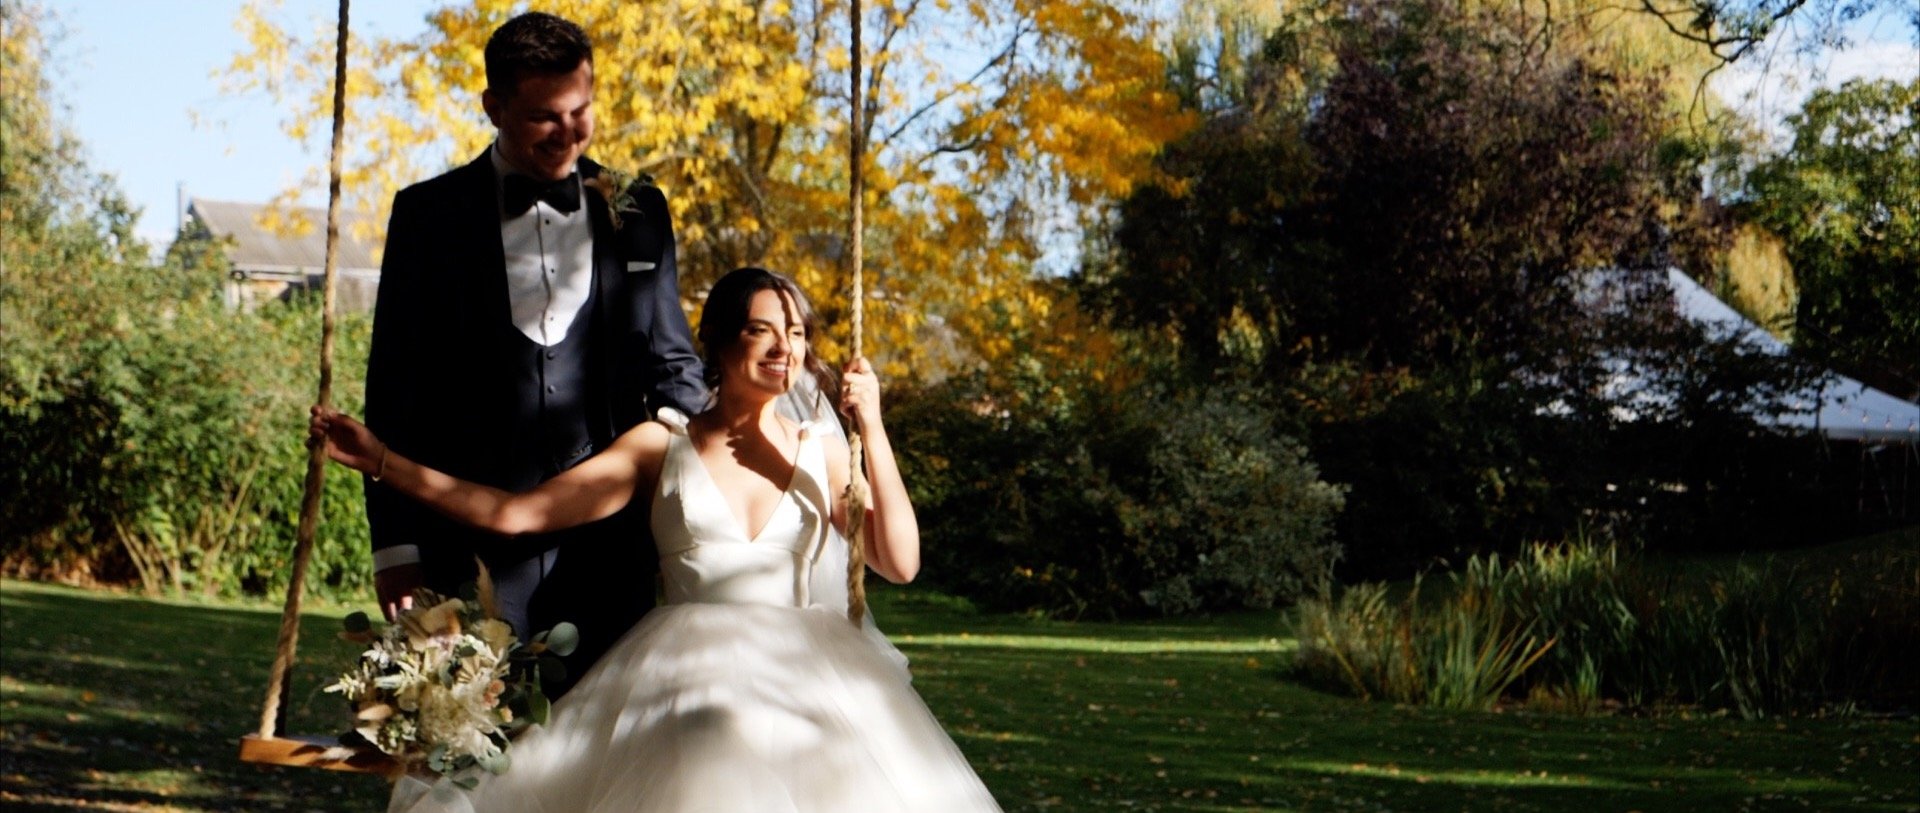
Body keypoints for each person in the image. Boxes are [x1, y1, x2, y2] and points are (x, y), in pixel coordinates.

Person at [313, 267, 1003, 812]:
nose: (783, 347)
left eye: (795, 332)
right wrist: (381, 460)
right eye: (762, 330)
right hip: (681, 684)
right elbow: (516, 514)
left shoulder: (823, 449)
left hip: (810, 684)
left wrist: (871, 426)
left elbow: (900, 561)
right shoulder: (659, 446)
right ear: (721, 342)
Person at [363, 11, 705, 696]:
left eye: (582, 111)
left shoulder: (639, 212)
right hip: (467, 550)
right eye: (545, 117)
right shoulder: (428, 217)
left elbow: (674, 368)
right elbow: (395, 394)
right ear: (493, 106)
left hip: (614, 550)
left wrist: (710, 493)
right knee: (475, 765)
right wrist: (397, 552)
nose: (569, 133)